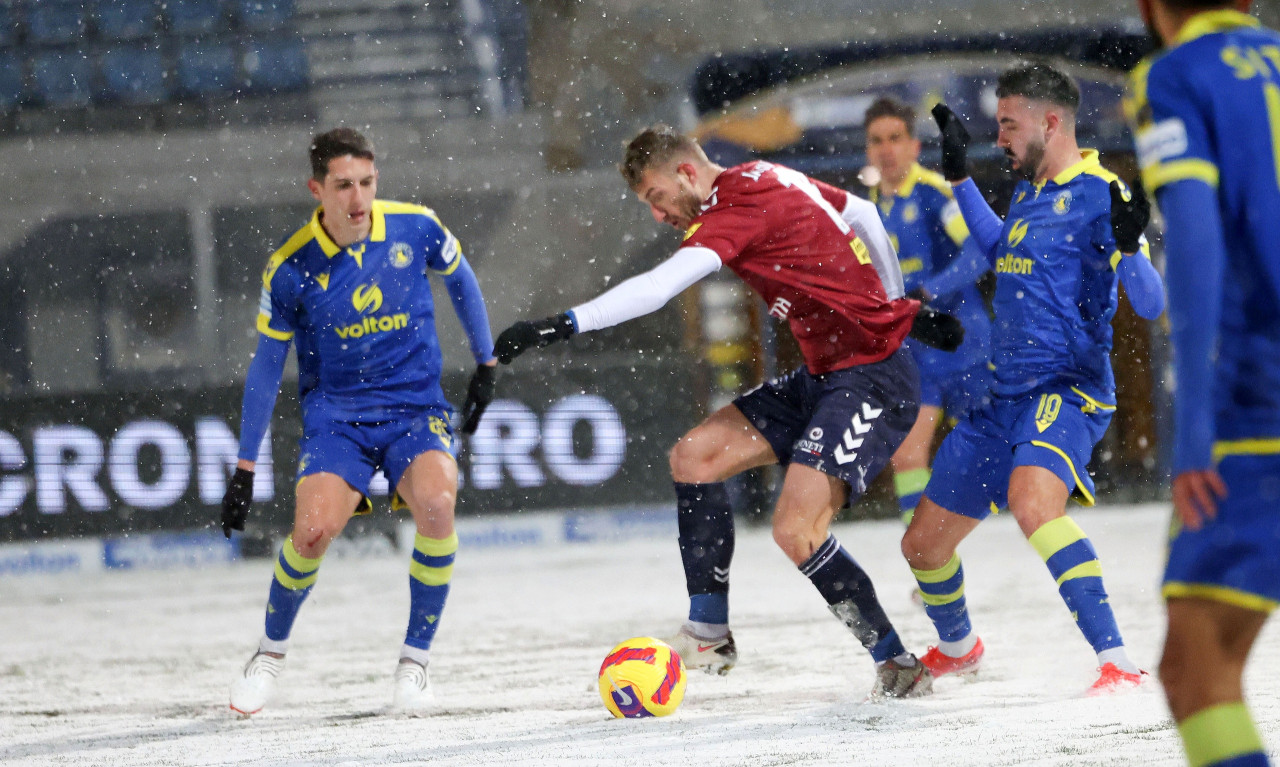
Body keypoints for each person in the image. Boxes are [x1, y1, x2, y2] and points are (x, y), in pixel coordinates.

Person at [493, 124, 966, 699]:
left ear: (686, 173)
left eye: (656, 198)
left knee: (795, 529)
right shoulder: (766, 173)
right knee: (694, 456)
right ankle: (709, 632)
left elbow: (658, 287)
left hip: (871, 379)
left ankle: (898, 664)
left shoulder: (735, 208)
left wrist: (558, 324)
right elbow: (863, 211)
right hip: (823, 377)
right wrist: (894, 305)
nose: (658, 215)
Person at [900, 63, 1168, 695]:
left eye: (1009, 125)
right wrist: (961, 177)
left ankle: (1118, 662)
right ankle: (960, 648)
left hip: (1067, 390)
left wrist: (1131, 249)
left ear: (1051, 122)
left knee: (1032, 503)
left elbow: (1151, 305)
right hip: (1001, 393)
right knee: (923, 548)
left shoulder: (1103, 191)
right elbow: (1001, 248)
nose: (1002, 139)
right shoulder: (1028, 188)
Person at [219, 127, 498, 715]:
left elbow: (462, 280)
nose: (358, 200)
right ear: (316, 188)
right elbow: (268, 367)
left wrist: (486, 361)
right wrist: (245, 465)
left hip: (415, 410)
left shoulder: (416, 226)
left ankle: (414, 664)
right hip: (338, 419)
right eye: (343, 186)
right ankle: (268, 655)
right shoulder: (289, 268)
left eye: (367, 183)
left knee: (437, 504)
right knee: (313, 533)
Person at [1127, 1, 1280, 764]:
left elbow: (1194, 249)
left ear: (1151, 8)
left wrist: (1194, 432)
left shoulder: (1175, 75)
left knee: (1198, 670)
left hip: (1261, 402)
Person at [863, 96, 994, 525]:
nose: (887, 149)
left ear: (914, 146)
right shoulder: (866, 210)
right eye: (877, 140)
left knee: (998, 462)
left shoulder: (936, 193)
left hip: (963, 345)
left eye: (895, 138)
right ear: (868, 150)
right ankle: (928, 564)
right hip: (914, 354)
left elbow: (980, 253)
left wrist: (929, 291)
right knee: (906, 457)